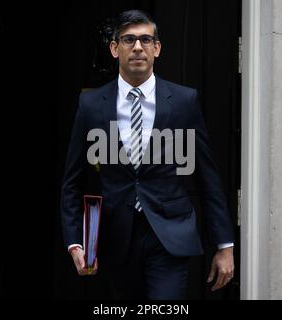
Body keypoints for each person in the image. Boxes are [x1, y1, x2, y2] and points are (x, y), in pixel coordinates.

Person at [61, 9, 234, 300]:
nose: (138, 47)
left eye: (145, 40)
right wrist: (75, 242)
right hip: (115, 237)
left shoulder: (183, 101)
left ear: (157, 48)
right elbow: (72, 181)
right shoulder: (90, 104)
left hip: (169, 234)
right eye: (129, 40)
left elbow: (208, 177)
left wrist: (224, 245)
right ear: (115, 49)